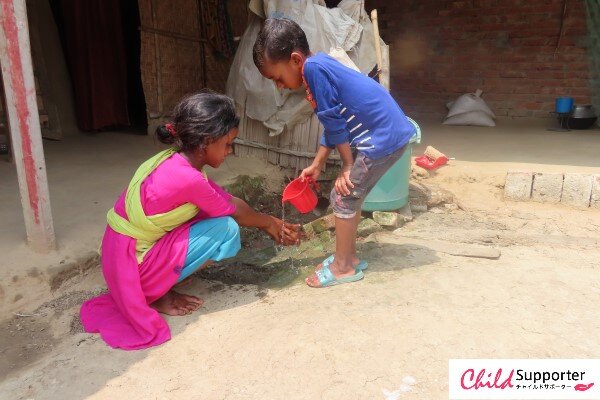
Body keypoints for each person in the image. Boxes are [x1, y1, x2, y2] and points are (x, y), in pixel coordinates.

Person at [80, 90, 301, 350]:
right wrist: (268, 224)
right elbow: (233, 213)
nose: (230, 151)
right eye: (228, 143)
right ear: (207, 140)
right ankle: (156, 292)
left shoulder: (174, 163)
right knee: (225, 229)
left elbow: (228, 201)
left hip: (118, 257)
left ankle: (159, 278)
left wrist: (272, 221)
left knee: (214, 216)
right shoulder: (188, 178)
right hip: (130, 268)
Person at [253, 18, 415, 288]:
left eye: (277, 78)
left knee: (343, 196)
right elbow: (334, 120)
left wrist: (347, 165)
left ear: (295, 60)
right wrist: (318, 163)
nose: (279, 86)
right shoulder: (319, 67)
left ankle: (343, 268)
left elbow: (334, 121)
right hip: (386, 136)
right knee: (348, 195)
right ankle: (348, 258)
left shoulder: (314, 70)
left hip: (382, 139)